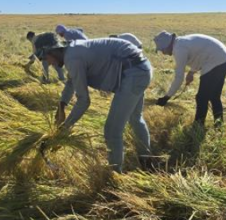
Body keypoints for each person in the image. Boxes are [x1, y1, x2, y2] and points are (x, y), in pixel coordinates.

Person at [34, 33, 153, 172]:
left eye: (45, 58)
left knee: (112, 131)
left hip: (133, 73)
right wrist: (62, 105)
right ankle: (146, 161)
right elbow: (72, 81)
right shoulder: (72, 50)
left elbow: (84, 101)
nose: (48, 63)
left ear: (52, 50)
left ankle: (114, 174)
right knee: (135, 118)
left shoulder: (72, 58)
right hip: (141, 68)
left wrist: (65, 128)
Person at [152, 31, 226, 125]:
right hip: (225, 59)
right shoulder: (182, 42)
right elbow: (199, 54)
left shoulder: (179, 49)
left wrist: (166, 97)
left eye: (162, 50)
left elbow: (179, 78)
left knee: (201, 98)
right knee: (214, 96)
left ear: (167, 45)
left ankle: (198, 125)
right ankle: (219, 124)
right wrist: (191, 72)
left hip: (215, 61)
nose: (163, 53)